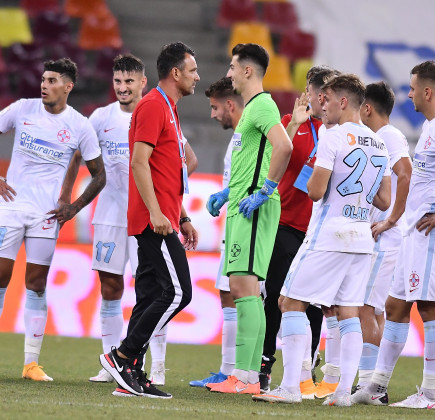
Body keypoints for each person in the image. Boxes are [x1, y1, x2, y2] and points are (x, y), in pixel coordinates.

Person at [253, 73, 392, 406]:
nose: (322, 106)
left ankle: (289, 387)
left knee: (289, 301)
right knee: (349, 312)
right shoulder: (378, 141)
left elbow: (315, 191)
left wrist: (325, 175)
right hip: (361, 238)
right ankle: (343, 392)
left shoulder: (333, 136)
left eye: (326, 100)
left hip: (329, 233)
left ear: (343, 102)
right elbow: (385, 201)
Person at [0, 58, 106, 381]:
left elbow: (99, 175)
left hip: (46, 214)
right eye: (43, 79)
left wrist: (73, 207)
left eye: (52, 80)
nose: (44, 84)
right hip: (12, 206)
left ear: (68, 86)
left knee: (37, 284)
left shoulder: (80, 125)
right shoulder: (23, 109)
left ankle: (31, 364)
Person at [352, 60, 435, 409]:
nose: (407, 95)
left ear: (427, 90)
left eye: (411, 88)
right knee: (394, 306)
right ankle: (377, 387)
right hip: (413, 231)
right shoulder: (431, 127)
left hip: (430, 233)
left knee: (430, 307)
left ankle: (430, 394)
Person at [66, 54, 195, 386]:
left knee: (155, 291)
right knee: (116, 288)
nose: (122, 87)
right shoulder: (104, 117)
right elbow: (78, 155)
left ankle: (150, 365)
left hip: (151, 213)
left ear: (142, 82)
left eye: (128, 81)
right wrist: (70, 202)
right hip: (117, 215)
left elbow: (183, 161)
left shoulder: (160, 110)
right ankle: (117, 360)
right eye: (117, 81)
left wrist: (176, 209)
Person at [99, 42, 199, 399]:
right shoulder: (154, 105)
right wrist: (158, 213)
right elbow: (139, 163)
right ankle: (123, 355)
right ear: (175, 73)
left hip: (166, 216)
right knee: (178, 293)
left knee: (152, 294)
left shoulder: (168, 108)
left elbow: (168, 170)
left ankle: (132, 376)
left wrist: (182, 214)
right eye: (192, 70)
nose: (197, 77)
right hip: (152, 220)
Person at [206, 43, 292, 395]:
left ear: (247, 71)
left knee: (245, 288)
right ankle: (248, 376)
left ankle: (244, 377)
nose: (228, 73)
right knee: (247, 289)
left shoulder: (263, 106)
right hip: (244, 205)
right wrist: (230, 192)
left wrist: (265, 190)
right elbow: (254, 159)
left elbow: (283, 146)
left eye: (231, 67)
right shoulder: (253, 109)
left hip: (255, 208)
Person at [258, 66, 338, 397]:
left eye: (314, 90)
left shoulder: (338, 131)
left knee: (316, 302)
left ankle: (307, 367)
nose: (310, 96)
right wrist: (293, 123)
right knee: (276, 296)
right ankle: (264, 365)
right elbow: (273, 154)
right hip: (286, 223)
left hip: (318, 230)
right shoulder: (295, 123)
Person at [355, 81, 412, 391]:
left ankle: (369, 385)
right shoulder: (379, 137)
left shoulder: (388, 137)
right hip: (377, 239)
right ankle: (373, 383)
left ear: (367, 108)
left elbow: (405, 173)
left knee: (365, 307)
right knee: (373, 310)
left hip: (384, 240)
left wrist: (391, 219)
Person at [189, 76, 244, 388]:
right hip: (234, 223)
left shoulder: (249, 132)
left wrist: (228, 195)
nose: (212, 114)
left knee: (246, 297)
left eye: (214, 107)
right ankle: (229, 369)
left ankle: (247, 372)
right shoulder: (238, 136)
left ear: (230, 104)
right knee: (229, 294)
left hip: (248, 226)